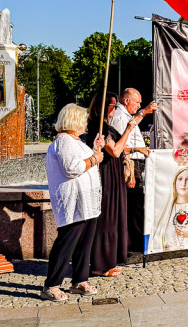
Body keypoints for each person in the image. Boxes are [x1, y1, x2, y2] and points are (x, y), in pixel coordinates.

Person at [42, 103, 104, 300]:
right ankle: (51, 285)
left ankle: (79, 280)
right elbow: (73, 168)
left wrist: (95, 149)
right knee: (67, 243)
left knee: (84, 244)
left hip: (86, 203)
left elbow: (84, 162)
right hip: (74, 203)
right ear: (75, 120)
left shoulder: (75, 141)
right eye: (83, 119)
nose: (86, 123)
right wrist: (95, 158)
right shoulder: (64, 142)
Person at [89, 93, 145, 277]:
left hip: (114, 175)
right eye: (112, 105)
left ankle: (110, 260)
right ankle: (101, 265)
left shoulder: (107, 126)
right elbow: (115, 151)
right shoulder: (98, 127)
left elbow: (120, 150)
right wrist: (129, 129)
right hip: (106, 176)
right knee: (107, 219)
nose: (115, 108)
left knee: (115, 218)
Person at [109, 88, 156, 253]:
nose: (139, 105)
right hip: (130, 165)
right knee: (134, 206)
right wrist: (137, 150)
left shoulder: (127, 117)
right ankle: (134, 243)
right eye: (137, 102)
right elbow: (119, 146)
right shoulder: (121, 118)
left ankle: (133, 242)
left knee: (135, 205)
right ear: (127, 101)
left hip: (135, 164)